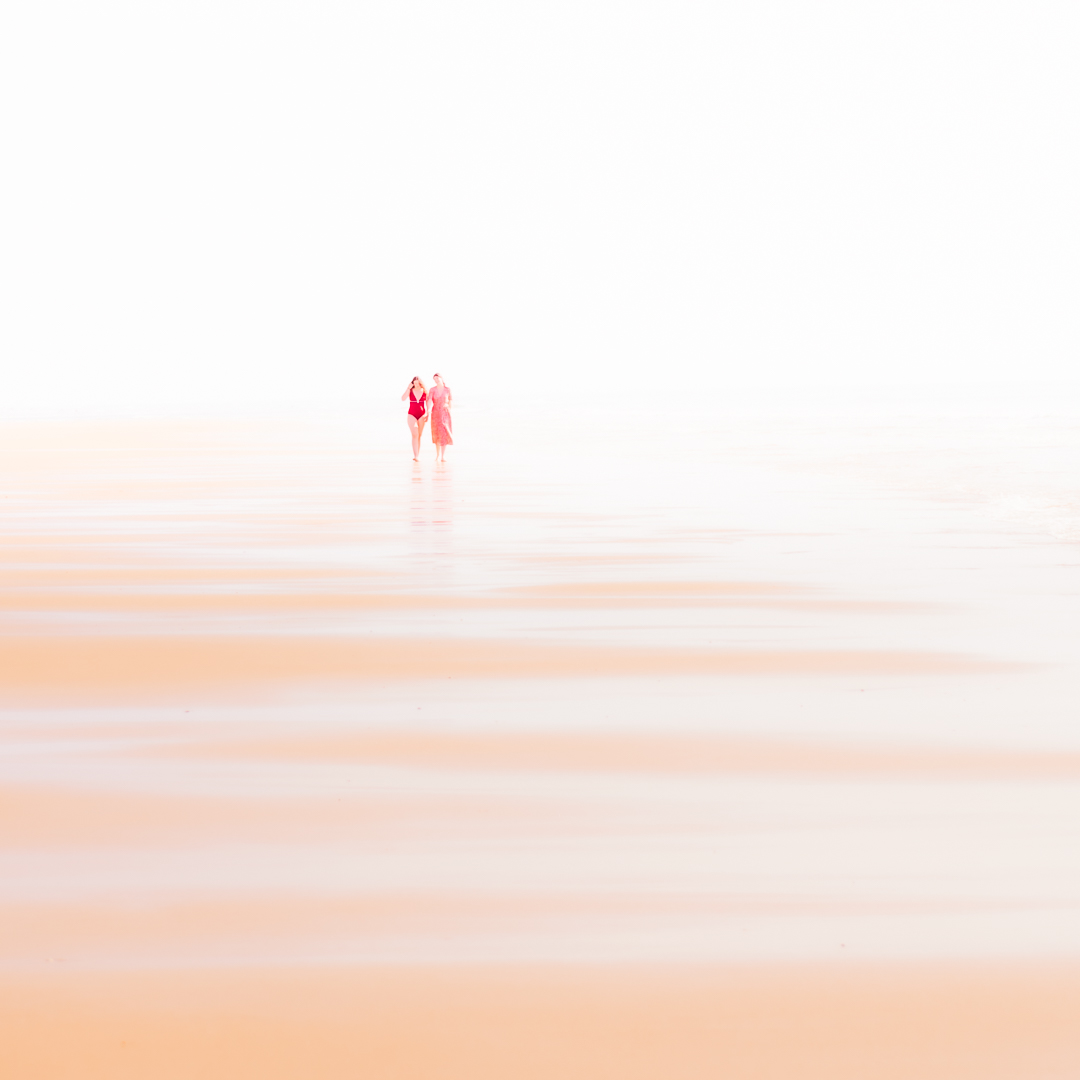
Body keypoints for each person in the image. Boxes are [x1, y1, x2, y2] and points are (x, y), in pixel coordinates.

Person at [401, 377, 427, 461]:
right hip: (411, 414)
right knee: (415, 434)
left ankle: (417, 455)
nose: (416, 385)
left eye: (417, 383)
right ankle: (415, 456)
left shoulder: (425, 391)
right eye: (414, 383)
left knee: (419, 435)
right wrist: (408, 388)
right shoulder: (410, 390)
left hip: (422, 415)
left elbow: (429, 402)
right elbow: (403, 398)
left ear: (420, 383)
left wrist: (428, 413)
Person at [428, 373, 452, 462]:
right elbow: (429, 400)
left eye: (437, 378)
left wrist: (449, 409)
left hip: (445, 413)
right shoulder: (432, 390)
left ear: (441, 378)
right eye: (434, 379)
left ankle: (443, 456)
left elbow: (450, 400)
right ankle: (438, 455)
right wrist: (429, 410)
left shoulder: (447, 390)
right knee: (437, 434)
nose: (436, 380)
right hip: (435, 413)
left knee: (444, 433)